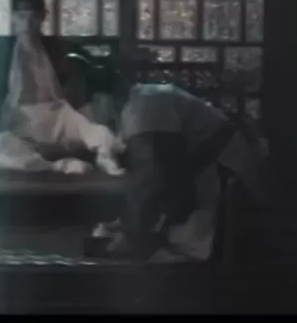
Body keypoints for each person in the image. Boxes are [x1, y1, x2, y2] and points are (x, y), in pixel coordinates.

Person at [85, 80, 269, 261]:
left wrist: (131, 228)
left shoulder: (144, 105)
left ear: (102, 98)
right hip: (215, 185)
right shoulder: (139, 104)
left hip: (230, 189)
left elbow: (152, 175)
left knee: (180, 244)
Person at [0, 0, 123, 176]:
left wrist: (88, 99)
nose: (27, 23)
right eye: (21, 16)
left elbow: (94, 75)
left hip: (59, 118)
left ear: (42, 17)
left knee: (102, 135)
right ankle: (55, 166)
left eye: (33, 16)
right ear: (12, 17)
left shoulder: (58, 48)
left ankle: (104, 158)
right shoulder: (1, 53)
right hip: (19, 126)